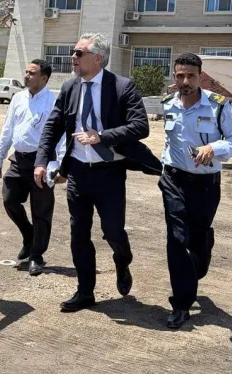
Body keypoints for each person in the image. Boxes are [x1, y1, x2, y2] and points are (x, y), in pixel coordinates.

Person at [35, 33, 162, 313]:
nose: (73, 57)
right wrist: (41, 161)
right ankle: (85, 292)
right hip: (78, 172)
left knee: (113, 230)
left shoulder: (122, 87)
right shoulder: (69, 87)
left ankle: (122, 259)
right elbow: (53, 126)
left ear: (98, 58)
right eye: (73, 51)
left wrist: (102, 136)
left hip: (110, 173)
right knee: (78, 233)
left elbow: (140, 126)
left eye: (79, 53)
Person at [159, 53, 232, 329]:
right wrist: (163, 167)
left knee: (197, 241)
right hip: (173, 180)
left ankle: (204, 244)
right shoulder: (168, 104)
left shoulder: (218, 106)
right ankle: (181, 304)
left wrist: (213, 148)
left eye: (190, 76)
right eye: (180, 75)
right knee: (176, 240)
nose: (185, 81)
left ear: (200, 76)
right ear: (174, 76)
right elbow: (169, 141)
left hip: (205, 184)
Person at [0, 59, 66, 276]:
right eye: (26, 72)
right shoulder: (18, 98)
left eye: (32, 73)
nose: (26, 76)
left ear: (44, 78)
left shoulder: (53, 102)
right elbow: (8, 129)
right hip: (19, 160)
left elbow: (61, 136)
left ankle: (36, 256)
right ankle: (29, 235)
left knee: (41, 210)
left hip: (43, 161)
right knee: (9, 199)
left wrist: (60, 166)